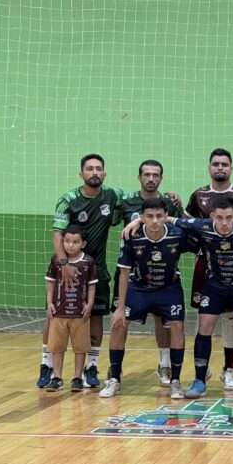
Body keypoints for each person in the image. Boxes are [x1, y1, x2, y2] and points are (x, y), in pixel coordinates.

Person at [125, 195, 233, 398]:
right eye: (220, 218)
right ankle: (199, 381)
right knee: (204, 328)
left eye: (229, 217)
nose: (225, 223)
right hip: (214, 286)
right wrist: (137, 220)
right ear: (212, 217)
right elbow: (165, 219)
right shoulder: (201, 226)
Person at [47, 154, 132, 389]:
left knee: (95, 318)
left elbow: (141, 197)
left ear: (104, 174)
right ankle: (48, 366)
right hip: (67, 271)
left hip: (97, 271)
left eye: (98, 169)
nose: (94, 172)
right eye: (89, 169)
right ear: (81, 174)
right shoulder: (68, 200)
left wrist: (169, 198)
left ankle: (91, 367)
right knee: (54, 316)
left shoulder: (112, 195)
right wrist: (64, 265)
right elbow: (57, 234)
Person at [101, 198, 195, 399]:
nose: (154, 221)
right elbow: (124, 273)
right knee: (118, 323)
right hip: (139, 287)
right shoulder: (132, 236)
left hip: (169, 288)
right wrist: (120, 306)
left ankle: (176, 381)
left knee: (177, 326)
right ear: (141, 218)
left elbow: (202, 241)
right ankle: (115, 378)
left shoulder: (178, 235)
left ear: (166, 217)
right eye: (150, 216)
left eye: (159, 216)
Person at [184, 148, 233, 392]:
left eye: (224, 164)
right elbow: (187, 227)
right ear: (209, 168)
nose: (220, 168)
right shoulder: (199, 195)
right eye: (216, 164)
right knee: (204, 319)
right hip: (206, 264)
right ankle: (201, 373)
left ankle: (229, 369)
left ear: (232, 168)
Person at [113, 160, 184, 387]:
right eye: (146, 174)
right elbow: (108, 221)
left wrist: (180, 207)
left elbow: (185, 224)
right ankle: (115, 371)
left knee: (163, 321)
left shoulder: (169, 203)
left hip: (165, 272)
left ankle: (165, 365)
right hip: (134, 271)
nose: (151, 178)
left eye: (155, 175)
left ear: (161, 179)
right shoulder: (126, 202)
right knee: (119, 318)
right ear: (139, 177)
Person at [44, 225, 97, 392]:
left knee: (80, 347)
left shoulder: (87, 262)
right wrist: (49, 303)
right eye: (67, 241)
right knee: (57, 346)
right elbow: (50, 282)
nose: (70, 245)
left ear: (83, 243)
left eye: (75, 242)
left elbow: (91, 285)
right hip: (59, 311)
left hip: (79, 312)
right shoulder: (56, 260)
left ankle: (77, 378)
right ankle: (57, 378)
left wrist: (89, 304)